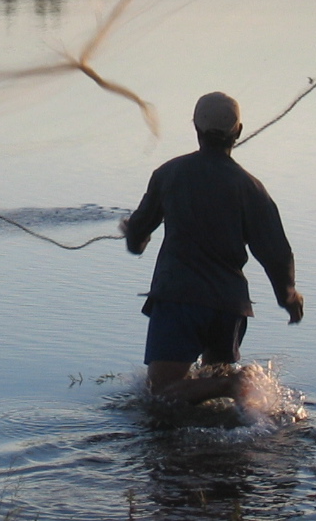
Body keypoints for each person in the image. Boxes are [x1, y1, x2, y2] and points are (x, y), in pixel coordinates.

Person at [120, 91, 304, 405]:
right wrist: (288, 296)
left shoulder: (169, 174)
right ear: (239, 132)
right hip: (229, 308)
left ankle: (234, 384)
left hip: (179, 299)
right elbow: (276, 252)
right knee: (207, 397)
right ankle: (229, 388)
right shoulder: (251, 187)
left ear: (196, 129)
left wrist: (134, 235)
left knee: (161, 394)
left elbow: (138, 237)